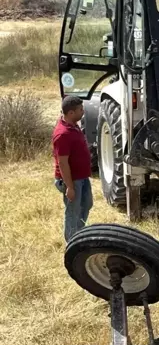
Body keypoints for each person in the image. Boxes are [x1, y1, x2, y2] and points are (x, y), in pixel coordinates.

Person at [52, 96, 93, 242]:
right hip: (72, 180)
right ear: (71, 113)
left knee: (87, 204)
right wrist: (69, 187)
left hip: (82, 177)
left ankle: (79, 235)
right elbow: (62, 163)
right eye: (80, 110)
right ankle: (72, 242)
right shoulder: (62, 134)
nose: (83, 112)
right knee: (73, 211)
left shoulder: (73, 125)